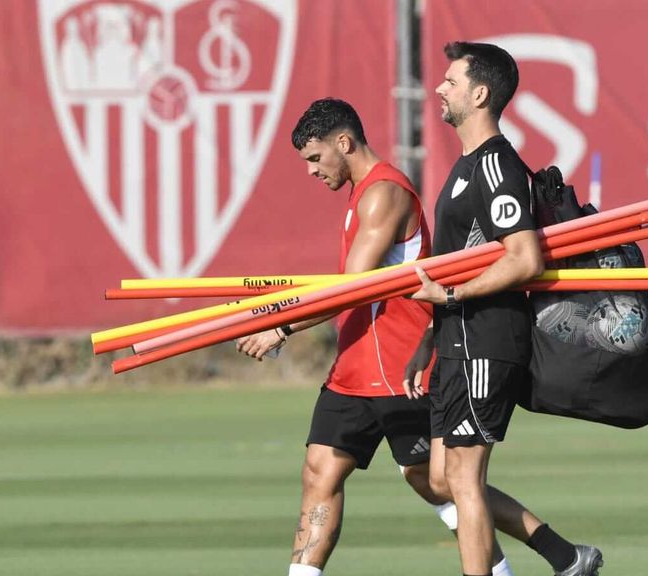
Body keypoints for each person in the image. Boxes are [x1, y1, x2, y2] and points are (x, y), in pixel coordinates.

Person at [236, 98, 524, 576]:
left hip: (398, 369)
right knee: (320, 471)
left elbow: (350, 289)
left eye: (315, 158)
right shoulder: (360, 192)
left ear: (344, 143)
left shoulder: (382, 193)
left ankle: (547, 554)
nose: (311, 171)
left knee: (442, 482)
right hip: (353, 367)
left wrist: (281, 325)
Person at [408, 42, 604, 576]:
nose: (439, 90)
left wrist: (451, 298)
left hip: (487, 340)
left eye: (451, 82)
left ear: (480, 93)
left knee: (465, 478)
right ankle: (565, 556)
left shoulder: (497, 164)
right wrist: (430, 335)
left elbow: (524, 258)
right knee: (444, 477)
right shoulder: (466, 166)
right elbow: (457, 261)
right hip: (455, 339)